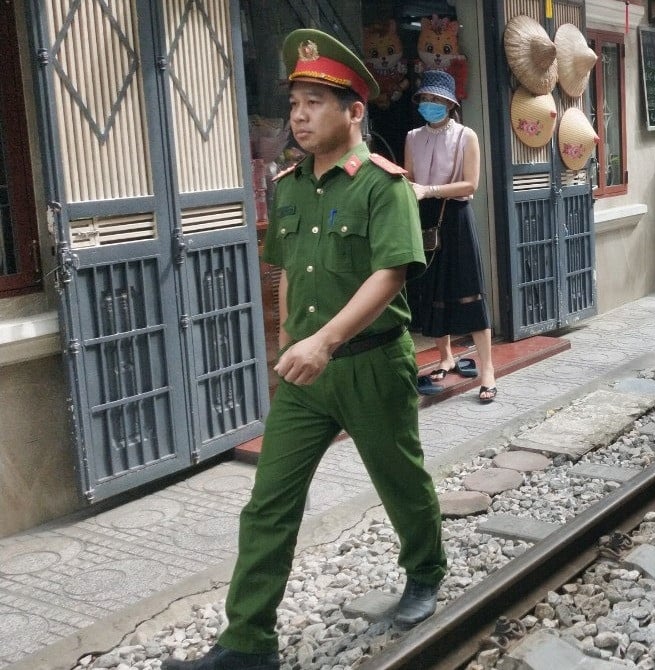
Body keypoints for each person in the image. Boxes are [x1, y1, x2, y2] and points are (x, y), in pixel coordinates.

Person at [161, 29, 446, 670]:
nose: (299, 114)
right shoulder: (289, 187)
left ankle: (425, 571)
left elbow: (392, 272)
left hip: (372, 363)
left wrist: (324, 339)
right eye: (295, 102)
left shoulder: (383, 185)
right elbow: (287, 267)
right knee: (269, 502)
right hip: (306, 373)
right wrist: (291, 340)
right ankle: (247, 643)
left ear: (354, 112)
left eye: (316, 100)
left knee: (399, 479)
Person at [403, 70, 498, 402]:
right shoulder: (413, 137)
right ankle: (444, 356)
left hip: (455, 216)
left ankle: (487, 370)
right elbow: (408, 179)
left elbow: (471, 184)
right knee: (430, 288)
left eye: (436, 99)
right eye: (425, 99)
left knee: (469, 290)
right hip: (424, 216)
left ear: (450, 103)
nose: (430, 104)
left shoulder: (465, 136)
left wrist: (428, 189)